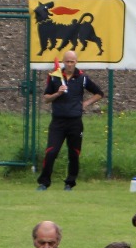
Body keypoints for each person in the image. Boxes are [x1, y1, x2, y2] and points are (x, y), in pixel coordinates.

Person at [35, 49, 104, 192]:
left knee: (74, 153)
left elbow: (99, 93)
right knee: (51, 152)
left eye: (72, 61)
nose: (70, 64)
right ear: (63, 62)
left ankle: (69, 183)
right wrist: (57, 93)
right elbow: (46, 98)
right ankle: (44, 183)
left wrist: (85, 104)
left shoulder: (82, 78)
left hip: (75, 123)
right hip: (58, 122)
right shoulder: (55, 77)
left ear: (76, 62)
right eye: (67, 61)